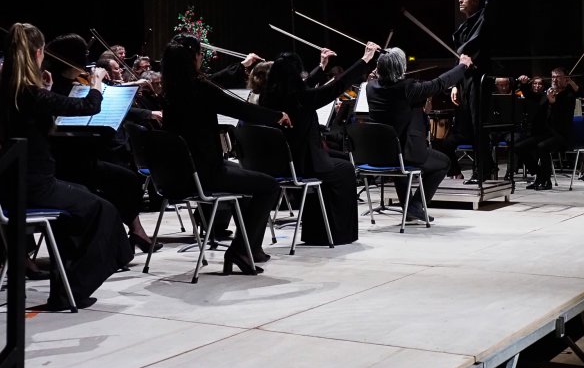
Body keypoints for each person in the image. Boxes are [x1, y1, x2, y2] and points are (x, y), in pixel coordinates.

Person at [0, 23, 133, 311]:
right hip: (35, 186)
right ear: (38, 53)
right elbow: (88, 108)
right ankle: (73, 288)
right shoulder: (28, 93)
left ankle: (66, 288)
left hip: (11, 185)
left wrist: (47, 88)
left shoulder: (11, 91)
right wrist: (96, 83)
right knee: (104, 210)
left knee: (78, 206)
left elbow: (35, 124)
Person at [160, 33, 292, 274]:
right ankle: (241, 250)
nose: (201, 58)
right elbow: (241, 109)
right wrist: (277, 115)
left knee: (244, 175)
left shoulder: (169, 89)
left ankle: (250, 248)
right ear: (193, 58)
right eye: (200, 54)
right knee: (269, 186)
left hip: (176, 174)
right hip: (204, 172)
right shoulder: (198, 88)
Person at [43, 33, 160, 253]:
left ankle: (128, 236)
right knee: (120, 180)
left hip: (81, 154)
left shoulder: (71, 83)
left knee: (126, 178)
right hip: (65, 161)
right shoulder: (56, 87)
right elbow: (89, 108)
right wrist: (96, 86)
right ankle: (121, 241)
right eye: (83, 56)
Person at [260, 41, 380, 245]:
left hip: (276, 164)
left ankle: (316, 231)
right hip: (301, 165)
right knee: (346, 169)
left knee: (338, 161)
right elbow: (337, 86)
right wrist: (365, 60)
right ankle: (336, 234)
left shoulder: (267, 97)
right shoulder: (301, 98)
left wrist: (321, 67)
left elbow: (302, 88)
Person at [366, 48, 473, 222]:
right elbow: (439, 84)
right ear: (400, 67)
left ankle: (408, 209)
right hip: (405, 153)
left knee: (401, 164)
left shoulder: (370, 87)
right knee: (443, 163)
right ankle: (415, 205)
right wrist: (462, 66)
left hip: (381, 154)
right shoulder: (407, 88)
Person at [440, 0, 498, 185]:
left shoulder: (484, 17)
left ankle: (482, 170)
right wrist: (455, 84)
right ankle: (485, 167)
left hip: (478, 79)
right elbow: (460, 57)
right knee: (465, 127)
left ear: (475, 0)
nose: (460, 1)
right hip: (464, 81)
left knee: (478, 125)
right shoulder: (464, 26)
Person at [515, 68, 578, 190]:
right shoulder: (548, 92)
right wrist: (523, 85)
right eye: (553, 77)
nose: (555, 79)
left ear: (566, 80)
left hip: (561, 135)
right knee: (518, 147)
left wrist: (553, 103)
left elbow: (562, 119)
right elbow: (531, 96)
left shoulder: (569, 96)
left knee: (542, 146)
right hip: (546, 133)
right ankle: (540, 175)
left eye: (558, 77)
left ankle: (546, 181)